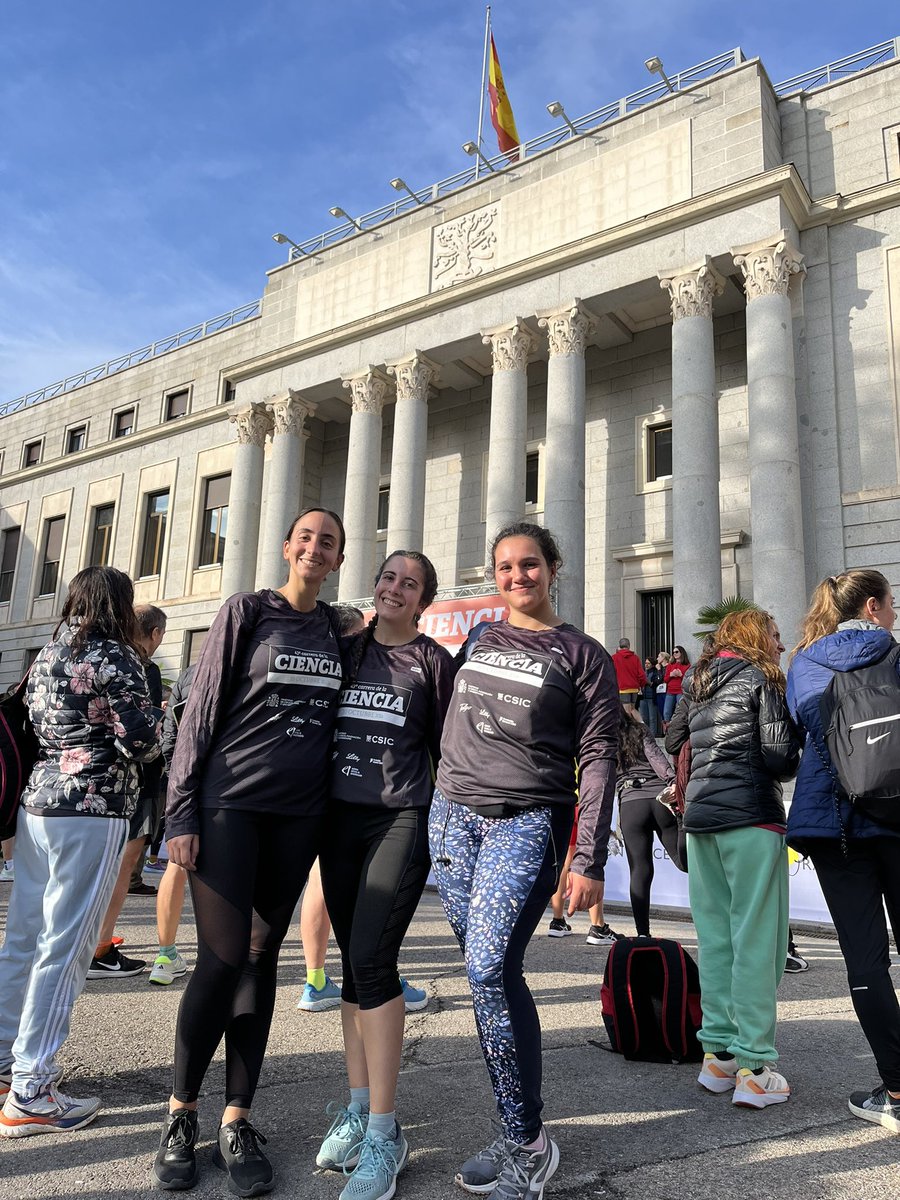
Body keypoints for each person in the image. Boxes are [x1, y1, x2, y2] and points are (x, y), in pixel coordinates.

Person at [152, 508, 346, 1196]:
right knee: (223, 956)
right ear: (287, 547)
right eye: (306, 536)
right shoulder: (246, 611)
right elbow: (200, 709)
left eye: (328, 541)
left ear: (337, 558)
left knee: (264, 956)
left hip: (299, 816)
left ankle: (237, 1118)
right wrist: (181, 810)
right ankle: (180, 1115)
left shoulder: (336, 628)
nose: (314, 547)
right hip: (229, 803)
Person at [429, 522, 618, 1198]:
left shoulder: (582, 655)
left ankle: (530, 1140)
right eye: (505, 567)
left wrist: (587, 854)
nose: (517, 576)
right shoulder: (481, 638)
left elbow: (598, 759)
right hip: (449, 821)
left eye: (529, 564)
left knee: (485, 968)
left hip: (526, 823)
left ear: (554, 568)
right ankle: (518, 1131)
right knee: (493, 978)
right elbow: (445, 714)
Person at [0, 566, 159, 1136]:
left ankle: (4, 1061)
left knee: (23, 937)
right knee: (66, 950)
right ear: (120, 604)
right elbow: (142, 742)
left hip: (37, 801)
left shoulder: (46, 654)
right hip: (92, 807)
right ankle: (32, 1090)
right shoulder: (117, 659)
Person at [316, 552, 454, 1200]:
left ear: (424, 599)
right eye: (389, 577)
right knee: (351, 967)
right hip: (337, 822)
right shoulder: (347, 651)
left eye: (410, 583)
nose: (395, 588)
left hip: (399, 819)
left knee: (373, 960)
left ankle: (384, 1132)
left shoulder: (431, 662)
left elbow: (453, 752)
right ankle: (356, 1103)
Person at [666, 609, 800, 1108]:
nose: (780, 643)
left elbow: (674, 738)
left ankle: (718, 1057)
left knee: (717, 939)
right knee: (758, 941)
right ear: (755, 638)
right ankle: (755, 1066)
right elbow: (779, 757)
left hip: (700, 821)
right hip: (750, 818)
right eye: (775, 633)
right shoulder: (761, 678)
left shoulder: (696, 682)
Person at [787, 569, 900, 1132]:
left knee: (865, 958)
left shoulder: (806, 662)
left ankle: (897, 1090)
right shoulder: (896, 654)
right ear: (875, 606)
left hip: (834, 823)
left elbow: (807, 728)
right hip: (899, 816)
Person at [88, 603, 168, 979]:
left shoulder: (91, 657)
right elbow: (141, 728)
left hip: (88, 781)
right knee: (123, 865)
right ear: (153, 634)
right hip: (134, 779)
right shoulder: (140, 667)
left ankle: (90, 941)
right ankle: (100, 948)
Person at [298, 604, 364, 1013]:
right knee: (333, 885)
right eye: (359, 635)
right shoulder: (344, 674)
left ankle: (316, 979)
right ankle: (367, 977)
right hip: (337, 794)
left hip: (316, 792)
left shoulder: (320, 675)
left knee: (319, 883)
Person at [147, 661, 196, 987]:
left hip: (186, 781)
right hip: (234, 788)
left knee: (175, 866)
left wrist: (176, 776)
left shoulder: (191, 672)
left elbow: (169, 734)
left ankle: (165, 954)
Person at [616, 708, 686, 937]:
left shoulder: (603, 738)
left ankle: (643, 933)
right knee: (686, 863)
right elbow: (657, 759)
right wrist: (672, 782)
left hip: (630, 804)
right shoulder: (640, 730)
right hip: (659, 799)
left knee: (640, 869)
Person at [612, 637, 646, 716]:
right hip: (634, 688)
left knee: (626, 712)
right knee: (633, 710)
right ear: (629, 646)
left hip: (622, 688)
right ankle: (638, 726)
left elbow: (611, 673)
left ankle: (629, 728)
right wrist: (641, 685)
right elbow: (641, 675)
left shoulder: (614, 657)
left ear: (619, 646)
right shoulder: (635, 658)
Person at [662, 645, 689, 727]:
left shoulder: (687, 665)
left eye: (676, 652)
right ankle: (667, 729)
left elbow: (688, 680)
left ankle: (679, 728)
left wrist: (681, 675)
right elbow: (665, 679)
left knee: (680, 711)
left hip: (680, 691)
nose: (674, 654)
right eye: (673, 652)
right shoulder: (670, 665)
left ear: (681, 653)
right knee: (666, 711)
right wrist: (671, 675)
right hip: (670, 691)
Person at [638, 657, 662, 736]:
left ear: (652, 665)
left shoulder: (655, 673)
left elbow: (656, 683)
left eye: (648, 663)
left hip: (651, 696)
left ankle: (652, 735)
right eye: (645, 663)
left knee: (652, 718)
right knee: (644, 717)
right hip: (642, 697)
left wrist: (648, 682)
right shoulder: (643, 672)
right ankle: (645, 735)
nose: (646, 665)